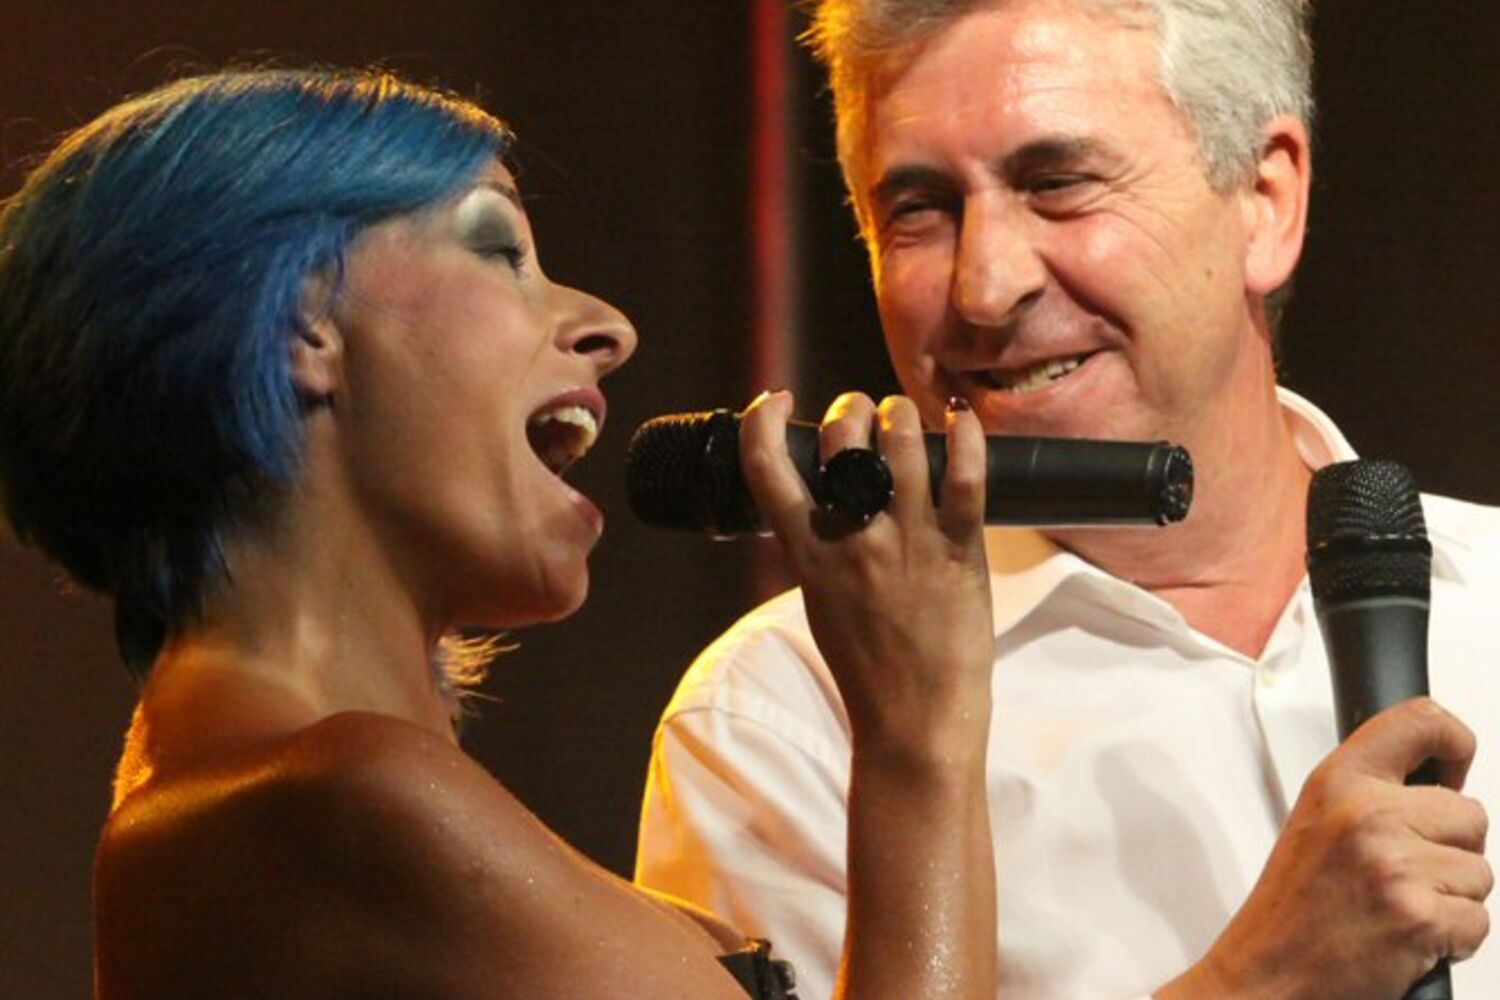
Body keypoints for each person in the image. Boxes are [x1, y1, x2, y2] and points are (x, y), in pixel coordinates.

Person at [0, 67, 1003, 999]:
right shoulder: (333, 801)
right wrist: (917, 732)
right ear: (306, 325)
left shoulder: (259, 796)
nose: (608, 326)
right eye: (499, 251)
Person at [635, 2, 1497, 998]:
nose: (985, 285)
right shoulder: (781, 718)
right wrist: (1259, 980)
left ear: (1265, 200)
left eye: (1057, 185)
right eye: (919, 209)